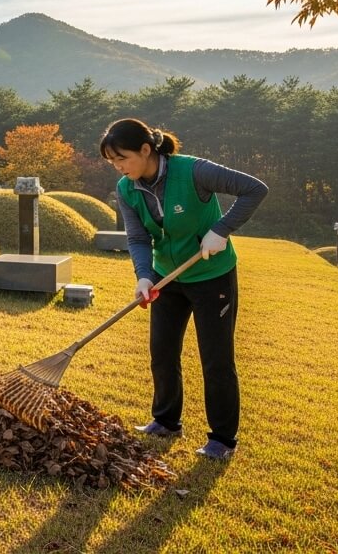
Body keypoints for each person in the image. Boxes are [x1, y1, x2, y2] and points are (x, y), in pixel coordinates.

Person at [99, 118, 267, 460]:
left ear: (146, 150)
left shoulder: (194, 171)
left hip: (211, 275)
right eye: (112, 161)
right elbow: (137, 236)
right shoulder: (126, 188)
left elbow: (255, 189)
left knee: (216, 359)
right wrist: (144, 276)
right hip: (166, 276)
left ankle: (222, 439)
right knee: (162, 352)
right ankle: (166, 421)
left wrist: (221, 230)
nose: (118, 167)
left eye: (122, 158)